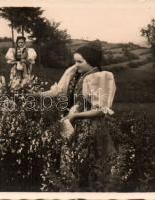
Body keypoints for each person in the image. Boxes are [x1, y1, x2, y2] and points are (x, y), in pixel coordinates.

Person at [40, 44, 117, 190]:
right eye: (75, 61)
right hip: (77, 125)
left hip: (91, 128)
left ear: (91, 61)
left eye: (80, 62)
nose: (76, 65)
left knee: (93, 167)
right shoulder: (80, 76)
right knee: (73, 165)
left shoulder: (99, 77)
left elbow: (101, 110)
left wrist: (75, 116)